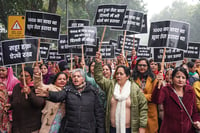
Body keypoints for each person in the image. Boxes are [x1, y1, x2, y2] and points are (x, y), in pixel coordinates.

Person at [35, 68, 105, 133]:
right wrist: (48, 94)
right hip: (71, 129)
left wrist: (100, 130)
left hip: (88, 129)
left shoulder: (92, 92)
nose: (76, 78)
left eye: (78, 76)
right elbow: (58, 96)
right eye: (74, 76)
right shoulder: (68, 90)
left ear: (83, 79)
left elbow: (99, 113)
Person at [94, 51, 148, 133]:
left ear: (127, 76)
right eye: (117, 74)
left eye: (121, 74)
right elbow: (99, 78)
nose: (118, 76)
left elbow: (143, 107)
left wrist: (142, 126)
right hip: (112, 129)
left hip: (129, 129)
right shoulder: (111, 85)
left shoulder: (135, 88)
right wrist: (98, 63)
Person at [152, 67, 200, 132]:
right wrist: (158, 84)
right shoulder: (166, 90)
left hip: (188, 130)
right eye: (177, 77)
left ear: (186, 80)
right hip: (169, 129)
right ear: (172, 78)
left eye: (183, 78)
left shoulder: (190, 91)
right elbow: (156, 100)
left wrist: (197, 121)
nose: (180, 80)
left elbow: (194, 112)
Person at [34, 65, 68, 133]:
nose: (62, 81)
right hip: (49, 120)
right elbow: (39, 86)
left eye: (64, 79)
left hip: (62, 121)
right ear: (55, 81)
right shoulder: (51, 88)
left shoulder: (68, 90)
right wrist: (37, 76)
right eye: (59, 79)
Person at [10, 67, 45, 133]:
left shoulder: (37, 87)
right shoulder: (17, 87)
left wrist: (29, 93)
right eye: (21, 75)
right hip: (17, 126)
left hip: (31, 127)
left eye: (26, 76)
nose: (23, 78)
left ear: (31, 77)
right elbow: (14, 101)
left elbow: (40, 103)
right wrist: (9, 106)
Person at [132, 58, 158, 133]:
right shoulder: (132, 78)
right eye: (140, 65)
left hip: (150, 111)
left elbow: (154, 96)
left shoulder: (153, 78)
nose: (142, 67)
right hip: (136, 110)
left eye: (144, 65)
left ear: (148, 67)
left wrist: (141, 96)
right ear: (137, 66)